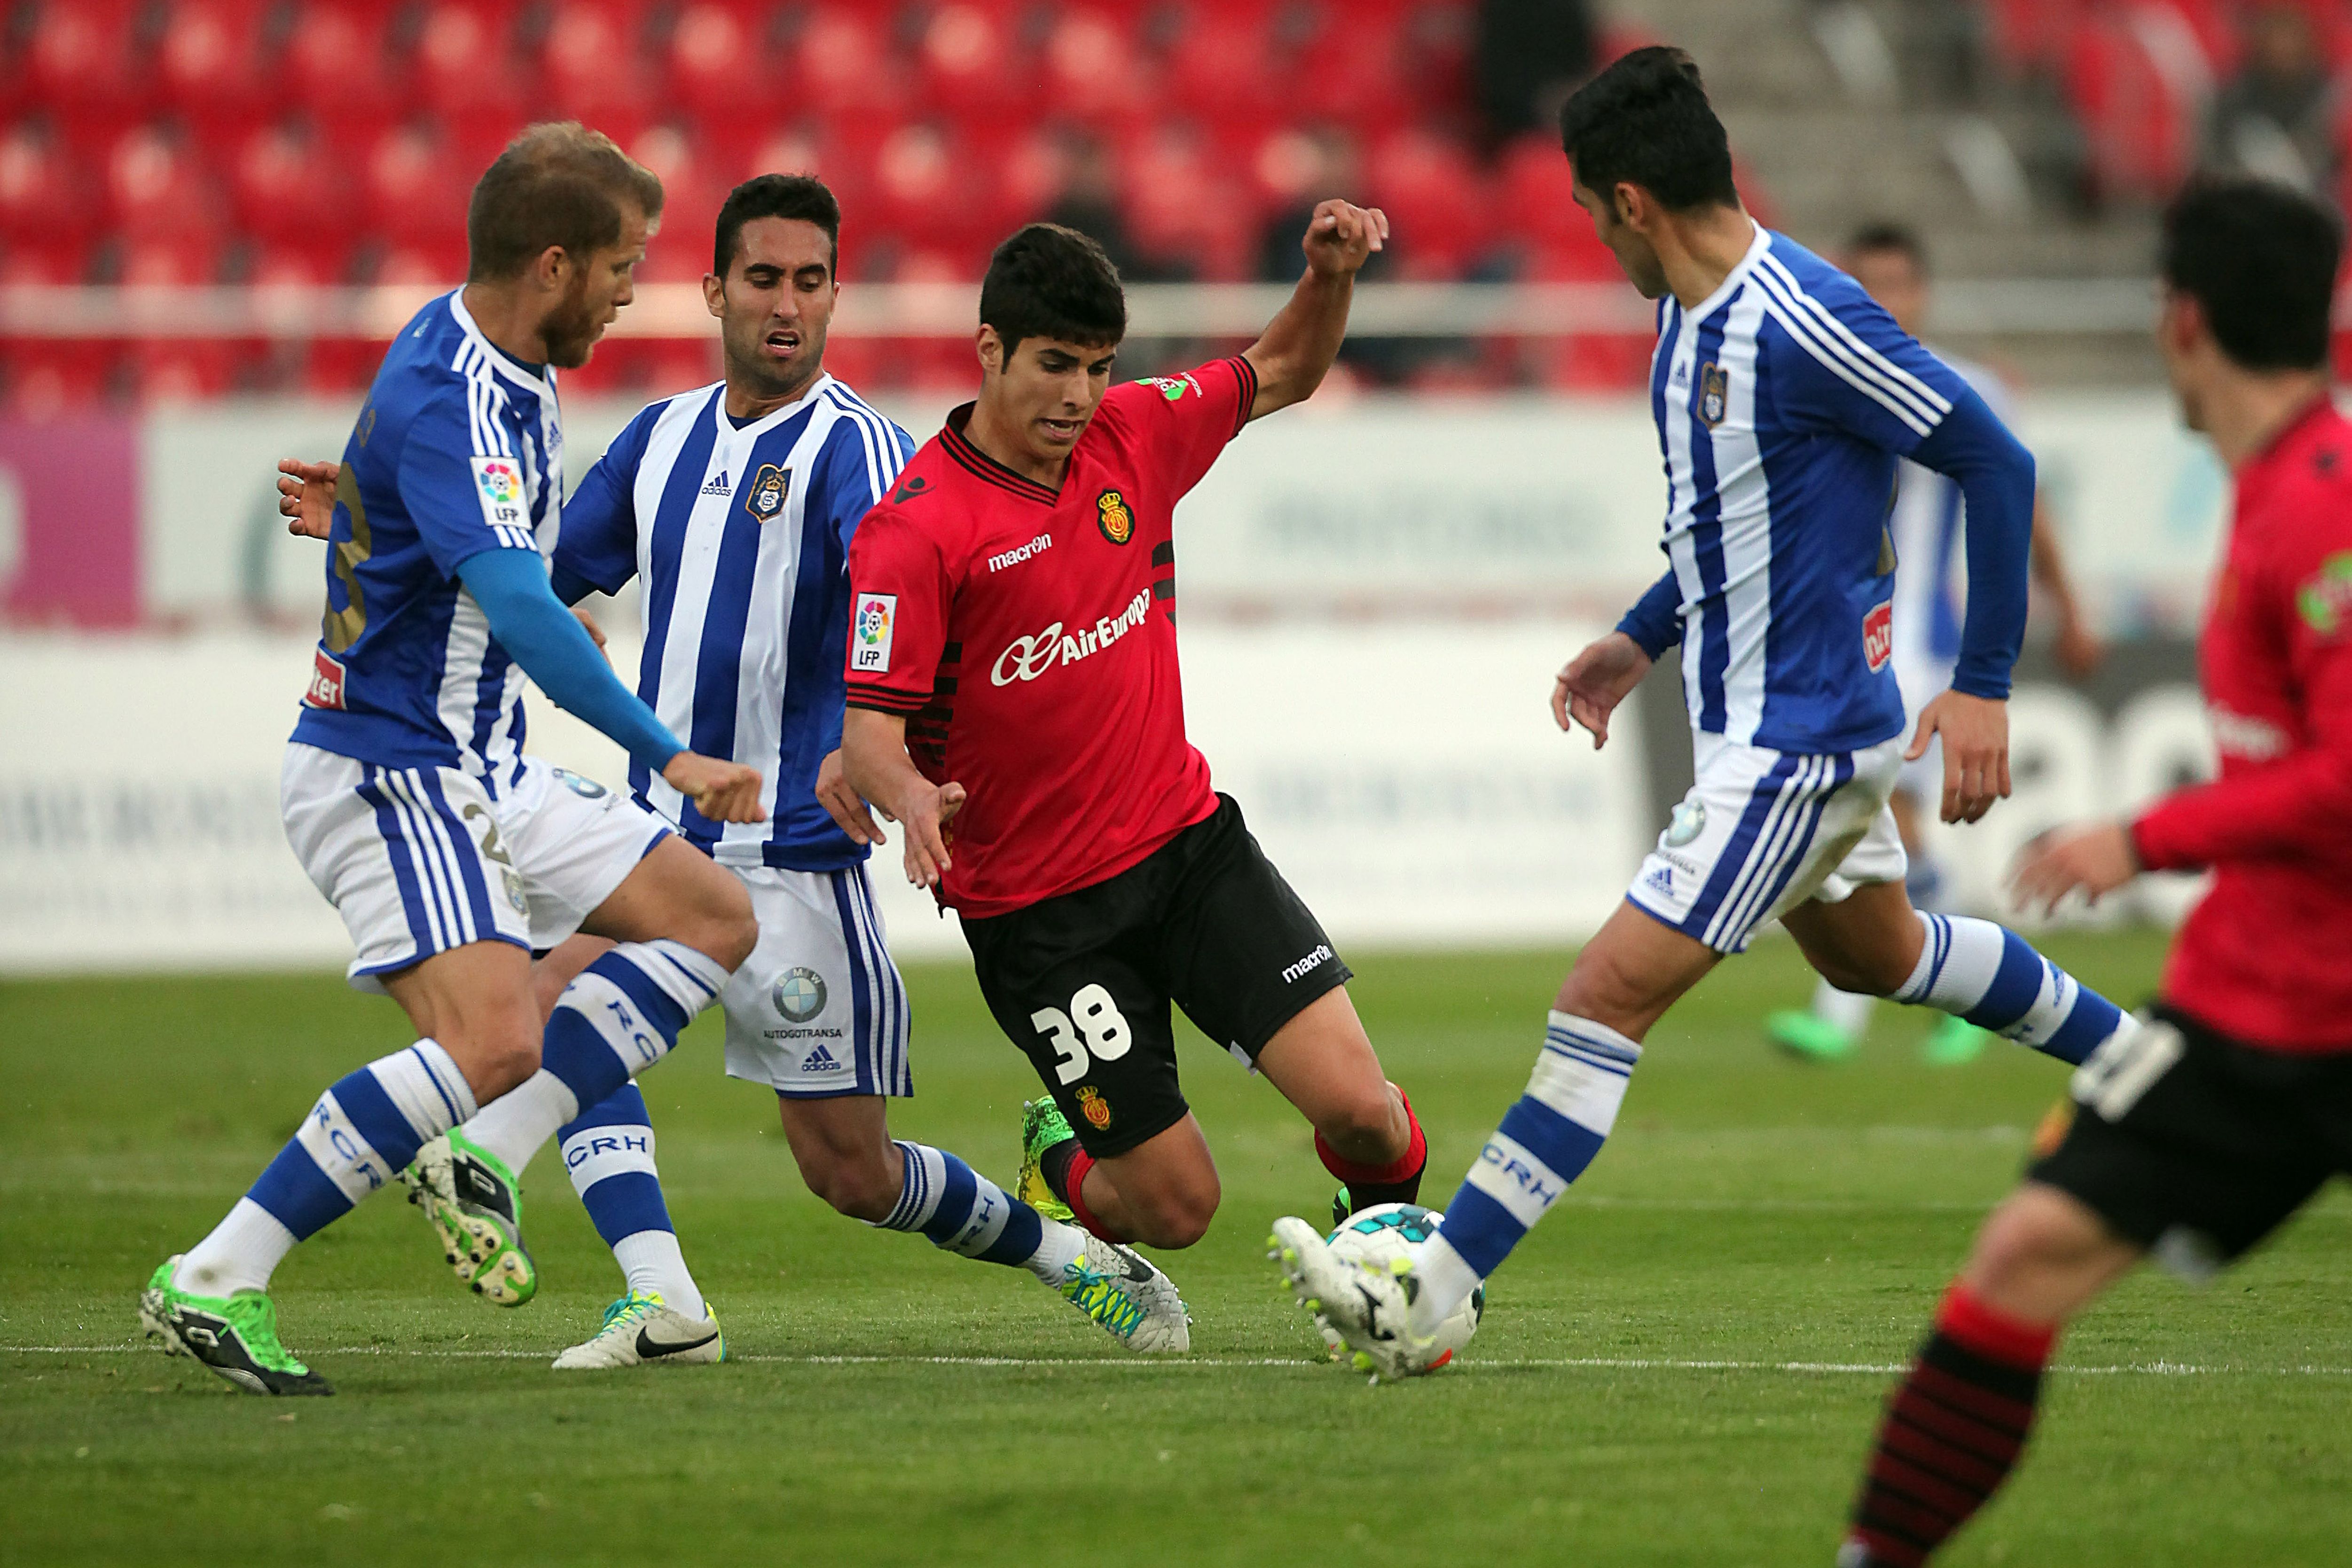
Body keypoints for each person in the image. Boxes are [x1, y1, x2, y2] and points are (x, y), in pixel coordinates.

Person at [1270, 47, 2140, 1380]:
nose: (1586, 232)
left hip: (1795, 744)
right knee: (1879, 957)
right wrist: (1638, 635)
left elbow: (1994, 455)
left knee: (1598, 1001)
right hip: (1771, 731)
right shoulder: (1686, 316)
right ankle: (2142, 1065)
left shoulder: (1804, 316)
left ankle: (1427, 1296)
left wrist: (1983, 683)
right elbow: (1730, 528)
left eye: (1582, 210)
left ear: (1627, 201)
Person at [417, 172, 1189, 1366]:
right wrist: (395, 541)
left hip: (794, 859)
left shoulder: (863, 456)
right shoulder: (660, 440)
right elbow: (536, 579)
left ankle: (1080, 1258)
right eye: (765, 279)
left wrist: (891, 771)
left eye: (812, 281)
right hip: (662, 835)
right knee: (563, 1000)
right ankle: (642, 1281)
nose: (788, 304)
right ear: (715, 288)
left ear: (836, 296)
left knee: (852, 1172)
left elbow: (911, 635)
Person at [138, 123, 766, 1396]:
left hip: (485, 758)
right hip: (396, 766)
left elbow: (472, 557)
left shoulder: (483, 356)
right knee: (492, 1035)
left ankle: (484, 1147)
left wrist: (365, 517)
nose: (633, 286)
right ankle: (216, 1274)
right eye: (620, 264)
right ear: (551, 264)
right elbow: (527, 616)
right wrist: (666, 751)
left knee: (708, 916)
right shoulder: (456, 390)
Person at [1837, 177, 2352, 1568]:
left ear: (2178, 323)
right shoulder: (2272, 493)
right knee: (2019, 1262)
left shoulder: (2319, 507)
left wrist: (2142, 835)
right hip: (2257, 1006)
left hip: (2313, 1000)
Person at [839, 211, 1430, 1263]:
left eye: (1098, 367)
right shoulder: (917, 530)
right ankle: (1059, 1156)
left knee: (1366, 1116)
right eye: (1054, 365)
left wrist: (1326, 275)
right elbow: (870, 736)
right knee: (1175, 1212)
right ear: (990, 352)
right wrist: (912, 798)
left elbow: (1287, 366)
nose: (1077, 395)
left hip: (1190, 853)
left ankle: (1387, 1265)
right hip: (1044, 918)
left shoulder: (1134, 434)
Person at [1765, 221, 2103, 1066]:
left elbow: (2020, 499)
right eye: (1868, 284)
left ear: (1923, 294)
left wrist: (2069, 603)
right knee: (1865, 823)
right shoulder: (1825, 375)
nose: (1885, 301)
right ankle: (1946, 989)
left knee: (1885, 818)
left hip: (1921, 645)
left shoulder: (1963, 383)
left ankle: (1904, 1005)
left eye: (1898, 285)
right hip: (1842, 642)